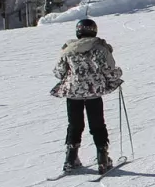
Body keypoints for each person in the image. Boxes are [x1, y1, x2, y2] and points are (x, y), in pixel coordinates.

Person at [52, 18, 124, 173]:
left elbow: (59, 72)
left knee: (74, 124)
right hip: (93, 92)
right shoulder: (100, 48)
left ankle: (70, 159)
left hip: (73, 93)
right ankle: (102, 159)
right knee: (97, 124)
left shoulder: (68, 49)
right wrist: (117, 77)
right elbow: (109, 70)